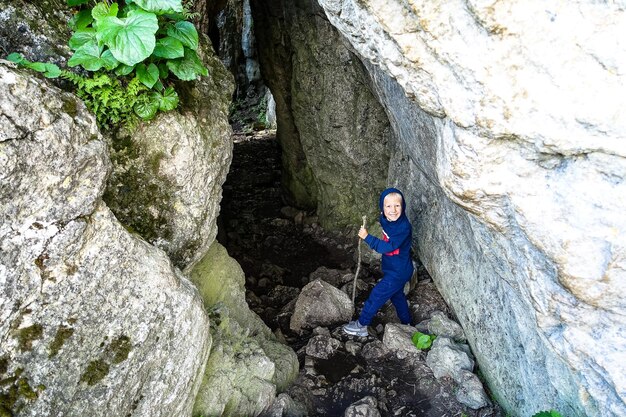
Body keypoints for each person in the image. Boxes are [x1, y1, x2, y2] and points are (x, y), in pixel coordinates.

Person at [343, 187, 414, 337]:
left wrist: (367, 237)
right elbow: (385, 219)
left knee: (377, 294)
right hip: (394, 268)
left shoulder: (404, 227)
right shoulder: (386, 218)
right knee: (397, 296)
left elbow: (387, 247)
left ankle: (362, 325)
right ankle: (408, 323)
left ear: (403, 207)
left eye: (397, 205)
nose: (393, 210)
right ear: (382, 209)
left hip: (398, 272)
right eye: (388, 206)